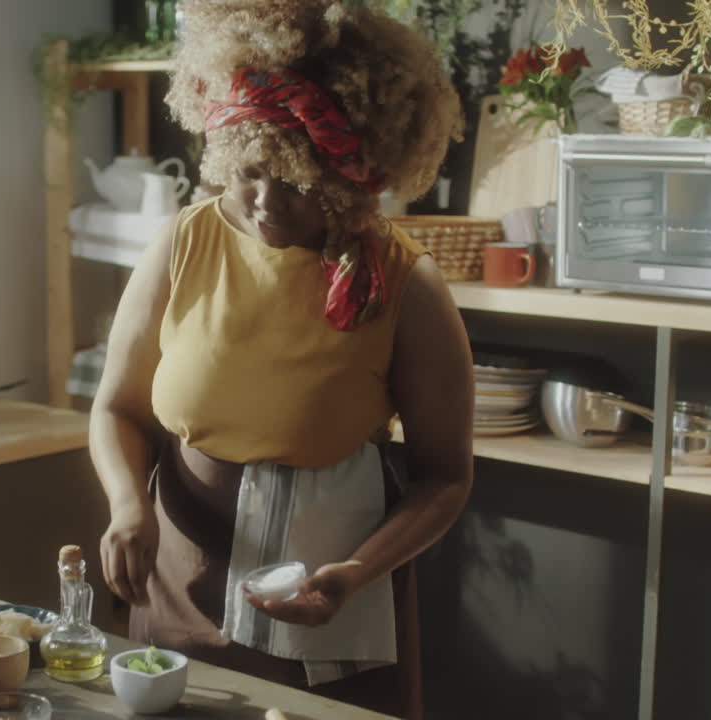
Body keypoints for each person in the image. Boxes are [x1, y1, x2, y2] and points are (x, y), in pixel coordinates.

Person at [88, 1, 472, 717]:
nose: (265, 204)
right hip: (179, 578)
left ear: (353, 177)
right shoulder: (185, 243)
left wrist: (357, 574)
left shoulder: (407, 285)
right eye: (249, 171)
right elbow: (117, 408)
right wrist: (127, 505)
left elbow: (445, 478)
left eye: (298, 184)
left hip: (330, 609)